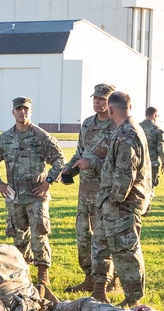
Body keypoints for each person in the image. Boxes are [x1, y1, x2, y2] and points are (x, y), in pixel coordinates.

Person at [0, 97, 65, 287]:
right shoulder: (4, 139)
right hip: (15, 198)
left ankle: (43, 278)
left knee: (39, 236)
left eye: (26, 109)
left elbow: (60, 160)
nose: (22, 112)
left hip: (37, 197)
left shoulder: (41, 136)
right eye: (19, 109)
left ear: (31, 111)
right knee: (19, 238)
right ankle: (22, 274)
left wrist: (49, 181)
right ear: (13, 112)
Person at [92, 90, 150, 307]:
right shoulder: (127, 130)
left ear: (111, 109)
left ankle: (134, 300)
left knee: (126, 252)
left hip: (122, 206)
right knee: (101, 244)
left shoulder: (127, 134)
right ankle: (99, 290)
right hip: (113, 205)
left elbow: (125, 175)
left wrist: (112, 201)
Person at [60, 83, 116, 293]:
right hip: (85, 194)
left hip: (107, 193)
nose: (97, 102)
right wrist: (68, 169)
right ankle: (89, 277)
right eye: (95, 98)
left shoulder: (116, 126)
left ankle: (107, 281)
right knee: (83, 236)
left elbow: (118, 164)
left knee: (104, 239)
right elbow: (80, 153)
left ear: (110, 102)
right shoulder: (87, 124)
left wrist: (93, 164)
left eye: (102, 99)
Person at [139, 107, 164, 205]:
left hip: (139, 162)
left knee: (139, 184)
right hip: (152, 162)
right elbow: (161, 148)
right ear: (154, 115)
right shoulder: (157, 130)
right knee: (151, 186)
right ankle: (147, 206)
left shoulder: (137, 127)